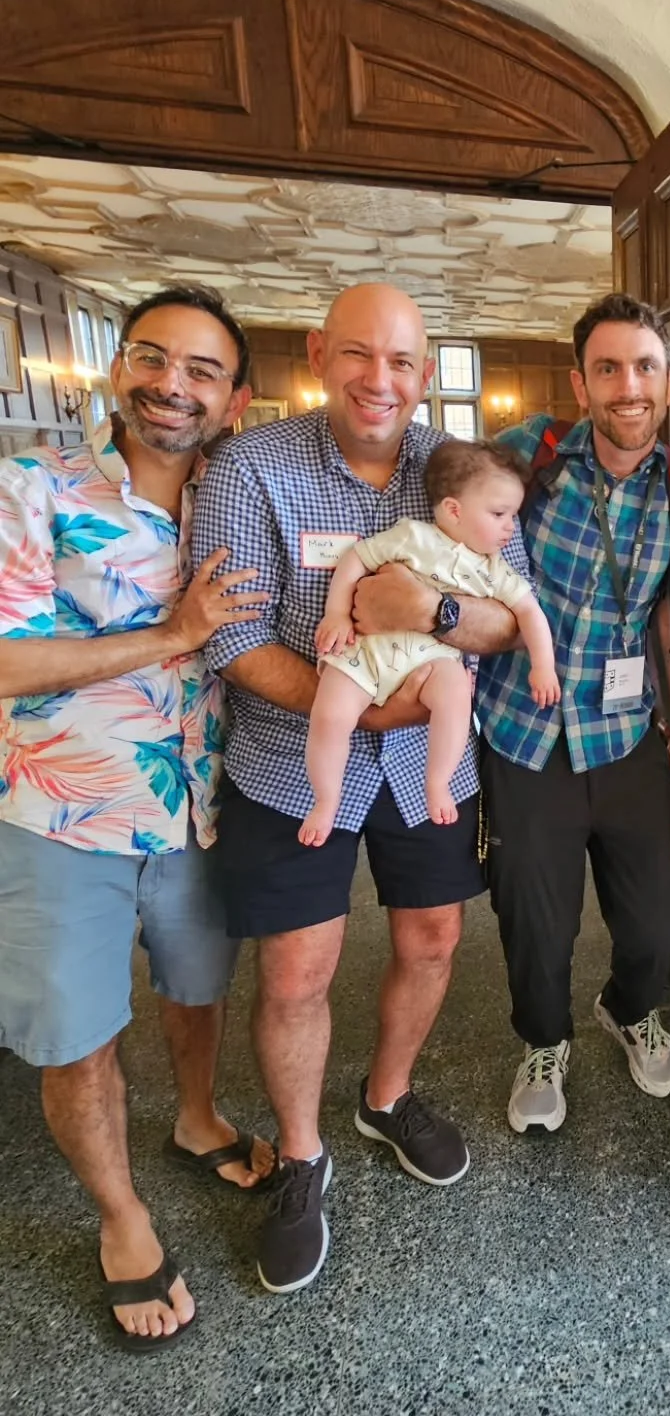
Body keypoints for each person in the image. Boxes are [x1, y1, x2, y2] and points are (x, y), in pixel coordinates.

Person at [193, 283, 530, 1295]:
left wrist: (431, 614)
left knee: (433, 940)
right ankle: (302, 1154)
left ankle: (387, 1097)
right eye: (358, 355)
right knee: (298, 971)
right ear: (317, 354)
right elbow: (234, 636)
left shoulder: (456, 469)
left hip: (430, 763)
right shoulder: (254, 466)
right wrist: (359, 709)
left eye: (401, 362)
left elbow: (508, 618)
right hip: (294, 756)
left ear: (424, 373)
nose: (380, 380)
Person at [0, 286, 275, 1349]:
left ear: (234, 399)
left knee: (197, 990)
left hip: (200, 805)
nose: (173, 385)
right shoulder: (33, 486)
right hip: (64, 814)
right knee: (78, 1040)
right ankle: (121, 1218)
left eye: (203, 371)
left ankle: (196, 1119)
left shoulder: (230, 497)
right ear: (119, 369)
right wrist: (172, 634)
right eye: (154, 359)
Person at [472, 293, 670, 1135]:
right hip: (525, 729)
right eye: (608, 368)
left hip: (626, 731)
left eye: (644, 367)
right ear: (581, 383)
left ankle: (628, 1008)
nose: (628, 386)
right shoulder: (529, 455)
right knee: (536, 922)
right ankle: (544, 1042)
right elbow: (453, 538)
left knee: (657, 920)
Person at [301, 439, 557, 845]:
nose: (511, 526)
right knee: (330, 715)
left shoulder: (494, 570)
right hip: (368, 651)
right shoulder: (412, 536)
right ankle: (326, 798)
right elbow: (357, 558)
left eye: (513, 514)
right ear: (454, 510)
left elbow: (529, 612)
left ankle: (437, 781)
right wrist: (336, 614)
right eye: (499, 514)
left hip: (433, 660)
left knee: (456, 695)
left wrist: (543, 665)